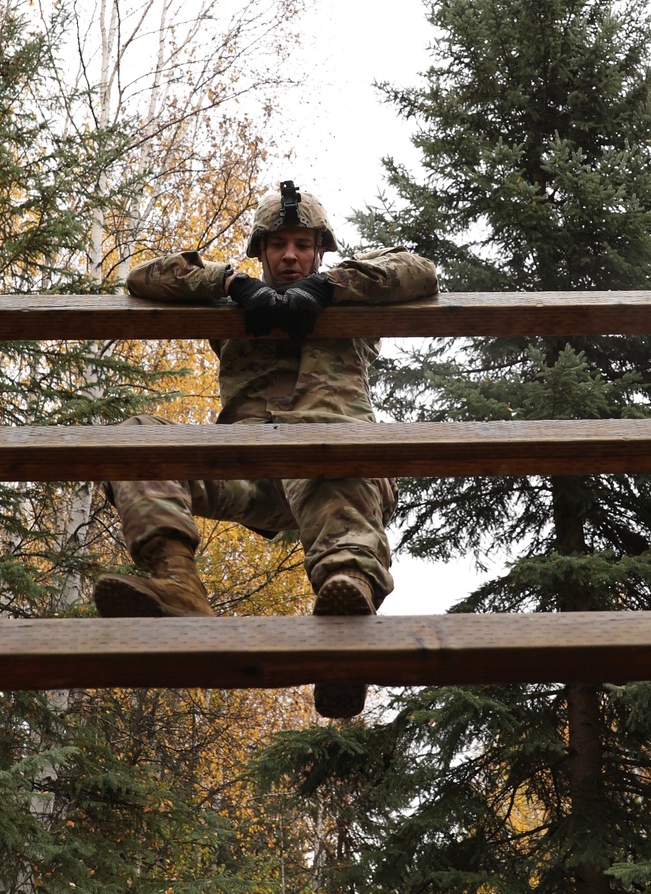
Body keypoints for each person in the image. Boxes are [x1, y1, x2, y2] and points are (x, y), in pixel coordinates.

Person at [95, 180, 438, 719]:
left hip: (332, 458)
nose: (291, 255)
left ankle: (346, 629)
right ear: (260, 251)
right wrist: (231, 284)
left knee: (341, 472)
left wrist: (329, 289)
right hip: (247, 463)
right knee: (133, 436)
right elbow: (143, 277)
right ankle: (177, 584)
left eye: (303, 244)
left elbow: (418, 269)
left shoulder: (351, 295)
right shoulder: (235, 299)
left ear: (320, 249)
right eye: (278, 245)